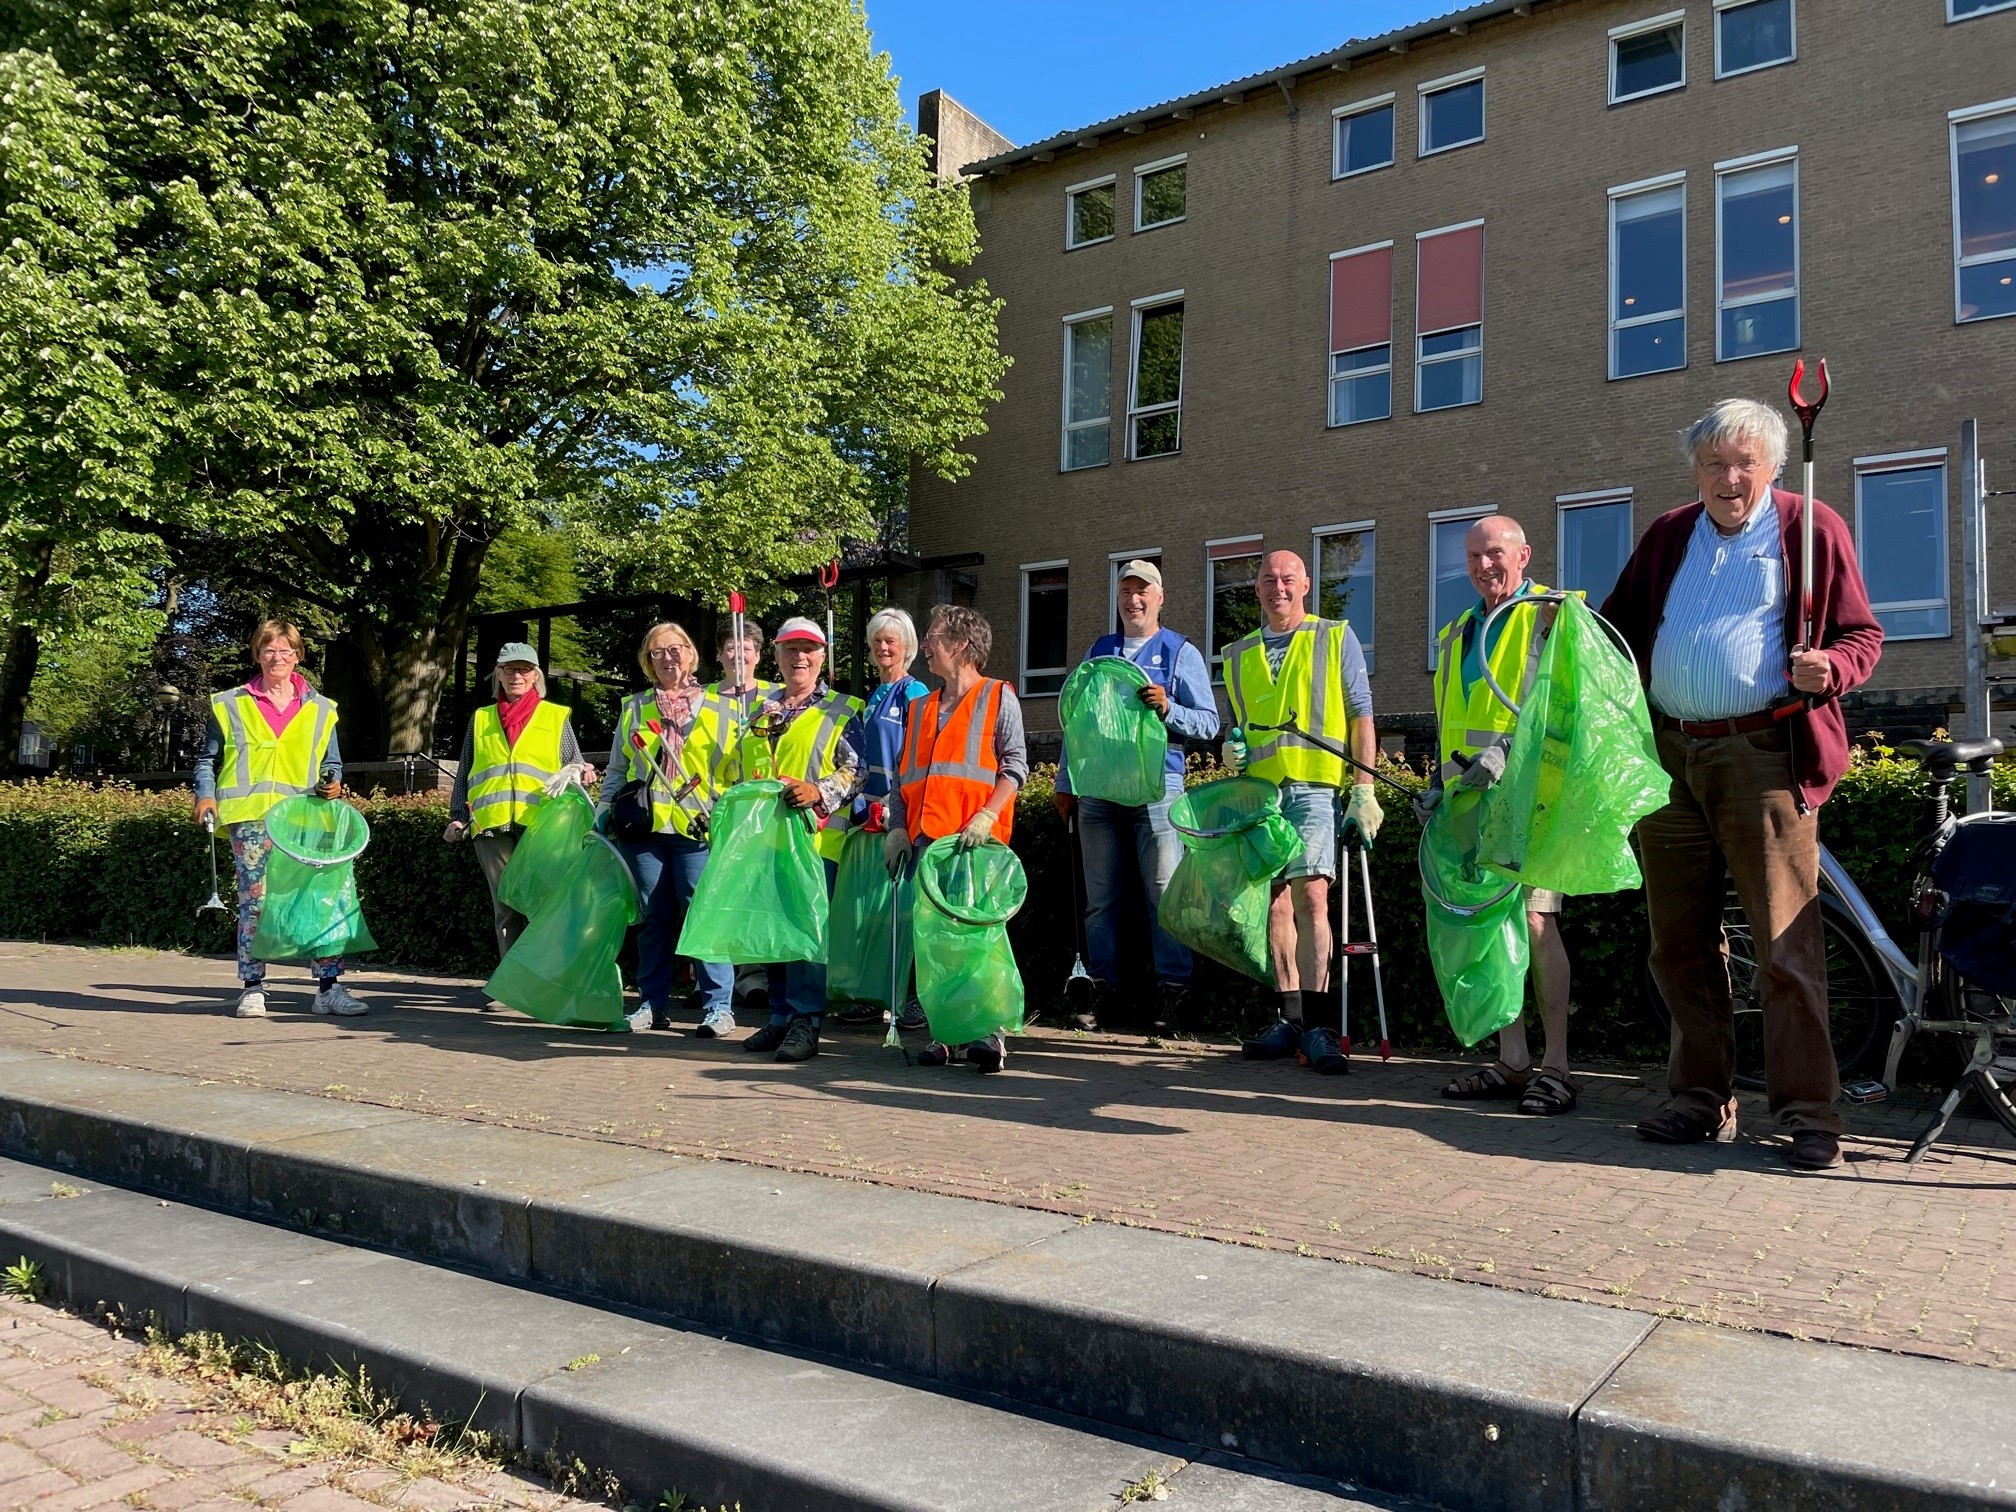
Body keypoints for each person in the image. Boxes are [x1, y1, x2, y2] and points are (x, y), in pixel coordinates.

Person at [1602, 397, 1883, 1172]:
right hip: (1668, 757)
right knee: (1679, 943)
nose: (1730, 479)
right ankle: (1699, 1097)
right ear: (1695, 469)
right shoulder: (1668, 533)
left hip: (1763, 752)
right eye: (1714, 465)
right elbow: (1616, 630)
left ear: (1772, 467)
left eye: (1744, 464)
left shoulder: (1811, 526)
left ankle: (1808, 1113)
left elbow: (1862, 635)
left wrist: (1833, 669)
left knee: (1786, 942)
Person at [1428, 517, 1578, 1116]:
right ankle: (1514, 1061)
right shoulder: (1456, 633)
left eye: (1495, 553)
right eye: (1473, 557)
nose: (1484, 566)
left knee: (1538, 923)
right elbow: (1451, 725)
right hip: (1470, 807)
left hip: (1530, 798)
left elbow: (1560, 707)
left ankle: (1559, 1067)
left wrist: (1508, 752)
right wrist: (1437, 790)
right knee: (1492, 929)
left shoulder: (1548, 614)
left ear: (1524, 554)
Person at [1221, 551, 1380, 1075]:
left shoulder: (1334, 637)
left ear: (1306, 584)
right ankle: (1290, 1017)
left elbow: (1361, 715)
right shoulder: (1238, 652)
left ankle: (1319, 1025)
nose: (1278, 588)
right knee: (1274, 905)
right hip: (1261, 795)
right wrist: (1234, 748)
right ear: (1258, 590)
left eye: (1288, 579)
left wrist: (1363, 789)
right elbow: (1241, 726)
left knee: (1313, 896)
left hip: (1314, 788)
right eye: (1268, 580)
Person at [1052, 560, 1219, 1033]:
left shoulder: (1180, 651)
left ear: (1160, 597)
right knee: (1100, 901)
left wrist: (1169, 708)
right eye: (1125, 590)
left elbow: (1209, 724)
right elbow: (1077, 723)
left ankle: (1175, 995)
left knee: (1164, 896)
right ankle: (1104, 992)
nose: (1133, 599)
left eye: (1143, 591)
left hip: (1158, 789)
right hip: (1099, 790)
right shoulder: (1098, 651)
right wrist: (1066, 783)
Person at [191, 621, 367, 1020]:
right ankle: (253, 989)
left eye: (286, 650)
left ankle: (328, 989)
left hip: (307, 820)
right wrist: (204, 796)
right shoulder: (230, 703)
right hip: (251, 820)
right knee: (256, 904)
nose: (278, 657)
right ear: (257, 655)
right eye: (269, 650)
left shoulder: (323, 709)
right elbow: (206, 760)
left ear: (298, 656)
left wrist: (333, 783)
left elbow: (332, 764)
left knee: (321, 903)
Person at [883, 604, 1029, 1073]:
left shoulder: (998, 697)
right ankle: (944, 1034)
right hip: (929, 846)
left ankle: (987, 1034)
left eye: (932, 637)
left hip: (976, 845)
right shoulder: (920, 707)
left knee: (977, 942)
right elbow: (903, 777)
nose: (924, 645)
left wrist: (987, 815)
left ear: (962, 645)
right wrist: (897, 830)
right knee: (934, 944)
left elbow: (1015, 767)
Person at [734, 617, 865, 1063]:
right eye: (790, 650)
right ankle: (779, 1018)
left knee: (807, 932)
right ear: (776, 656)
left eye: (809, 650)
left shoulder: (844, 708)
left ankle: (807, 1021)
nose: (800, 658)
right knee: (773, 931)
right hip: (765, 842)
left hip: (815, 840)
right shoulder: (758, 710)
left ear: (823, 657)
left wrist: (819, 792)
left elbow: (858, 770)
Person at [599, 622, 737, 1036]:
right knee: (652, 917)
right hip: (644, 828)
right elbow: (619, 767)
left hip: (699, 827)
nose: (668, 658)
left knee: (703, 913)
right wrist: (603, 808)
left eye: (676, 649)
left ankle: (719, 1006)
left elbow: (737, 767)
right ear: (648, 661)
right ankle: (651, 1003)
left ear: (691, 654)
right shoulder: (634, 707)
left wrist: (728, 812)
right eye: (658, 652)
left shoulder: (721, 706)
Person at [443, 642, 592, 972]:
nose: (516, 676)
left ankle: (545, 977)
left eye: (524, 669)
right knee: (506, 905)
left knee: (542, 903)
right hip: (491, 826)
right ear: (498, 673)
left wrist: (582, 771)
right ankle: (511, 983)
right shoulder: (481, 719)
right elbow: (466, 768)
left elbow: (575, 762)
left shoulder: (554, 717)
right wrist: (457, 816)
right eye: (509, 669)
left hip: (541, 826)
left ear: (535, 675)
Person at [830, 607, 931, 1030]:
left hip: (900, 816)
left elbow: (917, 754)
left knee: (905, 911)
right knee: (869, 912)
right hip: (867, 820)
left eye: (891, 641)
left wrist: (900, 809)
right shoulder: (871, 698)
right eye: (877, 641)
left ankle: (913, 999)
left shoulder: (914, 691)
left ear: (907, 647)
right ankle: (873, 995)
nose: (883, 647)